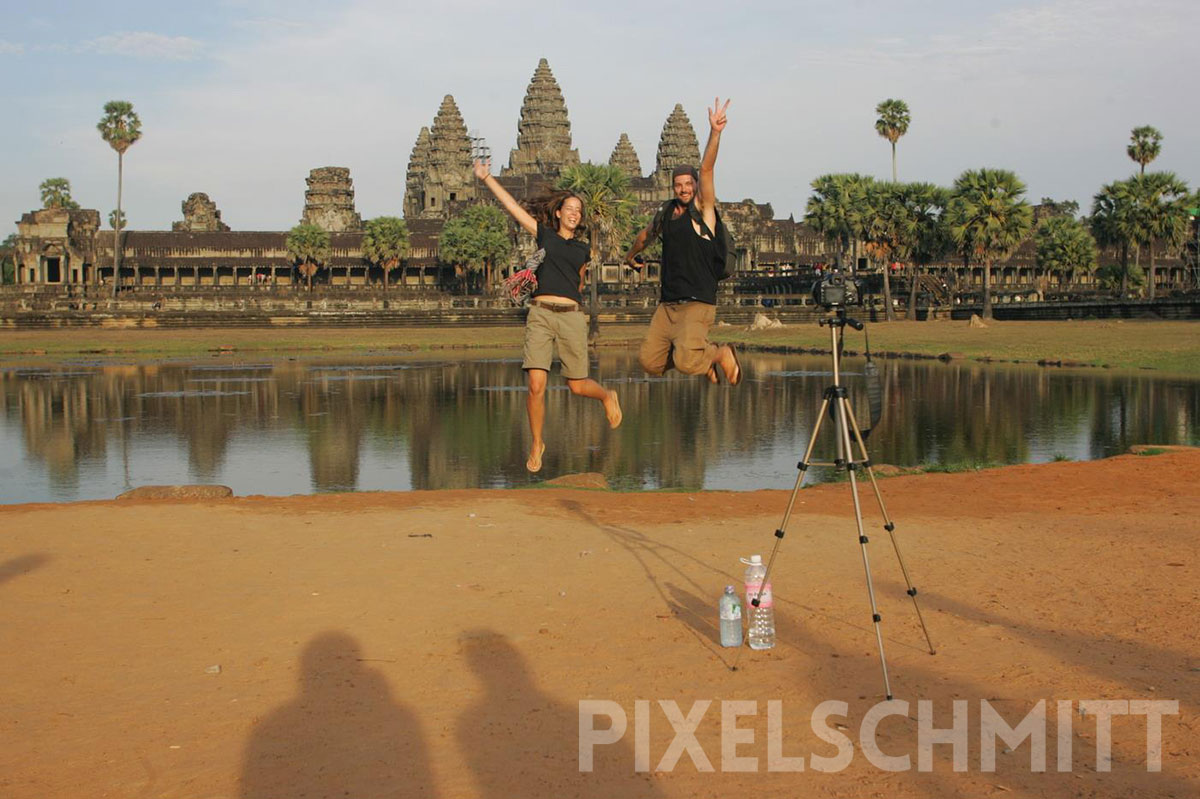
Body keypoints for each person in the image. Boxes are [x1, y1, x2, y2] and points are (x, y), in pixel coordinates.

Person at [474, 157, 622, 473]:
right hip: (540, 314)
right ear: (557, 213)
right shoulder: (544, 235)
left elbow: (578, 282)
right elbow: (513, 208)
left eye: (578, 211)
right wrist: (487, 178)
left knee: (577, 384)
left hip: (570, 316)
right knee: (536, 385)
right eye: (569, 208)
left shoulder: (583, 249)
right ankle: (537, 442)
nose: (574, 213)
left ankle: (607, 395)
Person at [623, 97, 741, 386]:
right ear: (672, 186)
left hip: (697, 300)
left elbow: (708, 170)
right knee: (650, 362)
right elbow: (645, 236)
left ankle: (719, 353)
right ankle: (704, 361)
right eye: (679, 185)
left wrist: (715, 132)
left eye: (689, 184)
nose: (684, 189)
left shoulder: (703, 211)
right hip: (668, 304)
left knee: (686, 361)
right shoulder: (665, 212)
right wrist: (630, 255)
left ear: (696, 187)